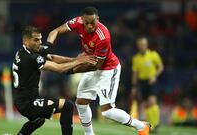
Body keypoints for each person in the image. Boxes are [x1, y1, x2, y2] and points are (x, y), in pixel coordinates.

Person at [46, 6, 150, 135]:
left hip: (107, 69)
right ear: (82, 20)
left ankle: (141, 126)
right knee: (81, 103)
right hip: (89, 64)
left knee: (107, 111)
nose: (89, 26)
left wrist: (70, 69)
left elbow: (96, 65)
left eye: (92, 22)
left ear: (98, 19)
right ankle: (89, 134)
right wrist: (47, 47)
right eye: (86, 23)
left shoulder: (103, 36)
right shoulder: (77, 22)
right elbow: (55, 31)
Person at [12, 25, 97, 135]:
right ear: (26, 41)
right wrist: (79, 61)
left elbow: (53, 58)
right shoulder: (30, 58)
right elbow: (58, 68)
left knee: (38, 120)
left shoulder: (25, 51)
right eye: (36, 40)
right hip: (28, 103)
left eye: (40, 39)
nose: (39, 43)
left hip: (23, 100)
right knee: (67, 105)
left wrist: (75, 59)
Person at [131, 36, 164, 132]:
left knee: (152, 102)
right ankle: (152, 124)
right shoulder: (135, 58)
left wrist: (155, 76)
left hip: (152, 81)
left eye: (144, 44)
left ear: (147, 45)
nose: (142, 46)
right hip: (142, 82)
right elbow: (135, 73)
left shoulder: (153, 55)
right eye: (140, 45)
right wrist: (134, 86)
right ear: (138, 46)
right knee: (146, 105)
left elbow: (161, 67)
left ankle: (155, 124)